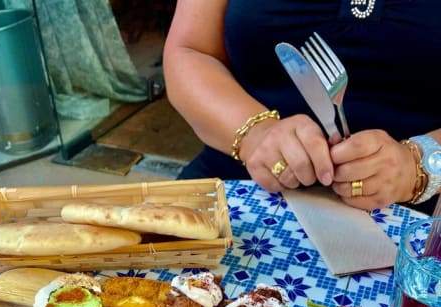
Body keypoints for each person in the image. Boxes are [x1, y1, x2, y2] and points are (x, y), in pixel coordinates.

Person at [162, 1, 441, 215]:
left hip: (417, 223)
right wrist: (256, 134)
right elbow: (190, 51)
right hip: (237, 192)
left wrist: (419, 164)